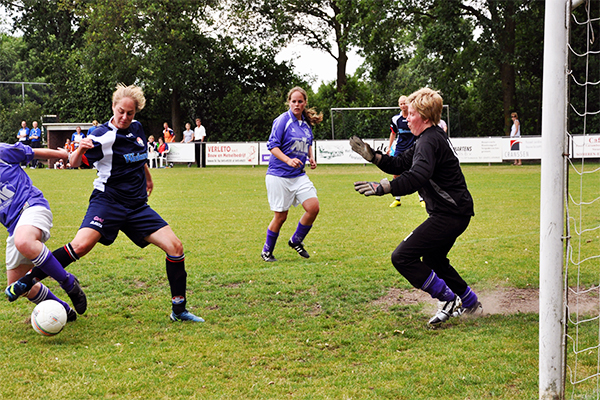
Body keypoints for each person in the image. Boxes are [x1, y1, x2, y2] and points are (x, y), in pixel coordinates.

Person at [7, 83, 203, 322]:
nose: (124, 117)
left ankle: (179, 310)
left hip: (137, 206)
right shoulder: (101, 135)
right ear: (113, 107)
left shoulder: (137, 128)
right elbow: (74, 163)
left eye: (130, 113)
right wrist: (80, 149)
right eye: (121, 111)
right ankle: (29, 279)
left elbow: (139, 157)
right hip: (107, 202)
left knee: (175, 248)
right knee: (80, 246)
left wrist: (148, 177)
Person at [350, 87, 482, 326]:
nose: (407, 118)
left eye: (411, 114)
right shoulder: (428, 138)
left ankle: (448, 299)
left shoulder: (429, 141)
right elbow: (400, 163)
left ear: (425, 117)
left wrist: (384, 188)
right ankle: (470, 302)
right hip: (455, 212)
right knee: (434, 259)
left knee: (402, 257)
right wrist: (374, 157)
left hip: (450, 214)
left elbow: (417, 176)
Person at [3, 142, 87, 321]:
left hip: (31, 206)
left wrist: (66, 156)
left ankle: (69, 283)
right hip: (14, 227)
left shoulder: (2, 152)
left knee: (24, 241)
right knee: (16, 286)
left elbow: (34, 152)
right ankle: (64, 311)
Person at [261, 86, 323, 262]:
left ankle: (296, 240)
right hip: (279, 175)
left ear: (305, 103)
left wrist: (311, 158)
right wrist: (288, 160)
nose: (296, 104)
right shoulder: (282, 120)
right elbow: (272, 146)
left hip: (298, 175)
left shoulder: (305, 123)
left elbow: (308, 143)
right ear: (289, 102)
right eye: (293, 101)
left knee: (313, 207)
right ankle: (267, 251)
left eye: (300, 101)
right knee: (281, 217)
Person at [386, 96, 424, 208]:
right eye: (401, 104)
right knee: (396, 173)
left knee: (418, 172)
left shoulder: (415, 117)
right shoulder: (395, 119)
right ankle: (397, 199)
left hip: (413, 149)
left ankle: (422, 199)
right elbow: (393, 133)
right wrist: (389, 147)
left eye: (405, 103)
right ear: (399, 105)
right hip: (400, 149)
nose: (403, 105)